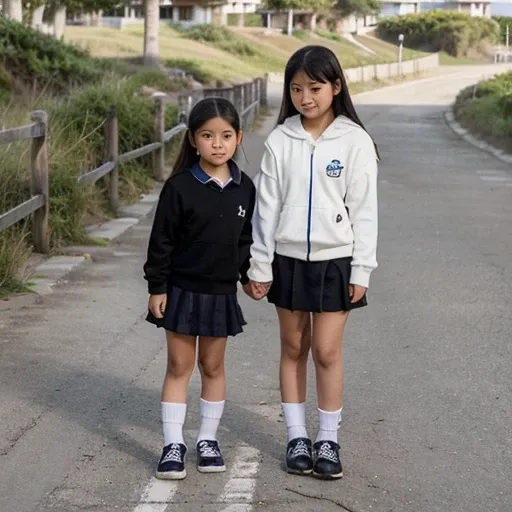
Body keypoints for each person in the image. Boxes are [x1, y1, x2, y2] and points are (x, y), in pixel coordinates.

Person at [245, 45, 379, 480]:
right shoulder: (281, 139)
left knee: (326, 351)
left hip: (336, 261)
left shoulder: (355, 140)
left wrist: (362, 269)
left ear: (336, 87)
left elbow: (364, 211)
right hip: (286, 260)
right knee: (293, 348)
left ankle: (329, 439)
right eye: (297, 88)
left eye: (316, 88)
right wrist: (260, 264)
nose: (306, 97)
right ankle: (297, 437)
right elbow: (266, 207)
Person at [143, 97, 256, 480]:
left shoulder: (245, 188)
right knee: (179, 365)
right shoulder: (179, 188)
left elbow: (245, 241)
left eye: (226, 136)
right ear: (193, 140)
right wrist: (157, 287)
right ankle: (173, 444)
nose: (217, 144)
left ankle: (207, 439)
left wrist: (248, 277)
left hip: (221, 292)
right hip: (181, 289)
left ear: (238, 138)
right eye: (208, 136)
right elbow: (161, 242)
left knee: (212, 365)